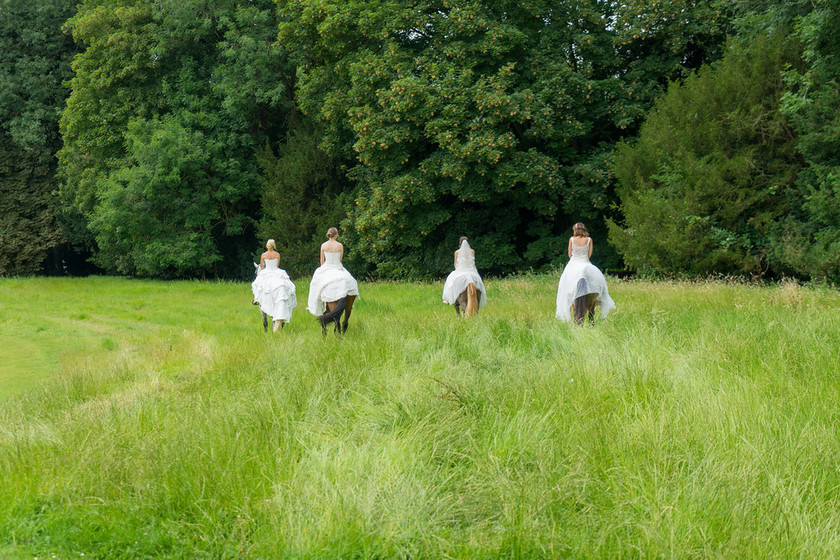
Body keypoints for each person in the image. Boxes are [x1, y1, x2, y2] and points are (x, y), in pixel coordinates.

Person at [555, 223, 615, 323]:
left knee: (563, 287)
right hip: (585, 262)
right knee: (600, 280)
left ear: (575, 230)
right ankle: (592, 317)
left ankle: (571, 310)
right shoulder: (589, 240)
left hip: (573, 263)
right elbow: (589, 255)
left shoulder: (572, 239)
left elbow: (570, 254)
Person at [306, 227, 359, 317]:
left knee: (315, 283)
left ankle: (315, 303)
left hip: (326, 267)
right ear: (336, 234)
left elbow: (322, 261)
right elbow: (340, 260)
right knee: (351, 281)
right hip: (337, 267)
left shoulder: (324, 245)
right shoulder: (340, 245)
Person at [251, 239, 297, 332]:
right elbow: (277, 265)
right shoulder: (277, 254)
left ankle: (256, 299)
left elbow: (262, 267)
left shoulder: (263, 255)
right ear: (274, 245)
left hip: (267, 272)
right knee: (287, 284)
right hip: (276, 272)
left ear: (267, 246)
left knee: (258, 284)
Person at [442, 237, 487, 316]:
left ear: (460, 242)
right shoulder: (472, 251)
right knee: (479, 281)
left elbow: (456, 265)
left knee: (450, 280)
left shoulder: (457, 252)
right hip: (471, 271)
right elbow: (473, 263)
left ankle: (448, 299)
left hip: (461, 271)